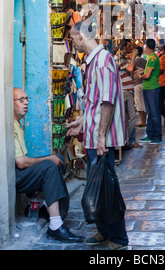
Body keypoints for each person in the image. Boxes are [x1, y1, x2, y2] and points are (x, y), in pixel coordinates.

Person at [66, 21, 128, 250]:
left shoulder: (101, 62)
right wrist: (82, 122)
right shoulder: (94, 61)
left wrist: (101, 136)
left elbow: (107, 101)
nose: (73, 42)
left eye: (73, 38)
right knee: (99, 185)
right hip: (93, 135)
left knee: (108, 187)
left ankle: (119, 238)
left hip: (101, 139)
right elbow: (95, 103)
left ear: (81, 35)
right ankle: (104, 232)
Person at [13, 88, 82, 243]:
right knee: (50, 166)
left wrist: (51, 158)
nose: (26, 103)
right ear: (10, 104)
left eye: (26, 98)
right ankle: (56, 225)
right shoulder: (11, 126)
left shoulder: (18, 123)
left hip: (20, 171)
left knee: (56, 158)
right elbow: (21, 163)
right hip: (15, 177)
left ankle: (41, 207)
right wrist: (48, 159)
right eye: (21, 100)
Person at [137, 39, 162, 145]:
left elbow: (147, 76)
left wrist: (140, 76)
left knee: (154, 113)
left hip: (152, 88)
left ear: (146, 46)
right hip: (148, 88)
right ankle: (150, 135)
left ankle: (157, 136)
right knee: (150, 113)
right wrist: (143, 71)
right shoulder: (151, 58)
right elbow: (149, 72)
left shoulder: (152, 58)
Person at [118, 40, 142, 149]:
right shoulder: (120, 59)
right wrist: (133, 56)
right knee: (131, 116)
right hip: (125, 90)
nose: (130, 48)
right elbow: (130, 68)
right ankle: (131, 141)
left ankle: (128, 140)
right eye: (128, 46)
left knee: (128, 116)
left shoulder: (123, 59)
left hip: (127, 89)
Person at [127, 45, 147, 127]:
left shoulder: (134, 61)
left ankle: (142, 121)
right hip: (145, 83)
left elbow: (130, 70)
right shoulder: (145, 61)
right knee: (144, 103)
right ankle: (144, 120)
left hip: (137, 83)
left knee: (139, 103)